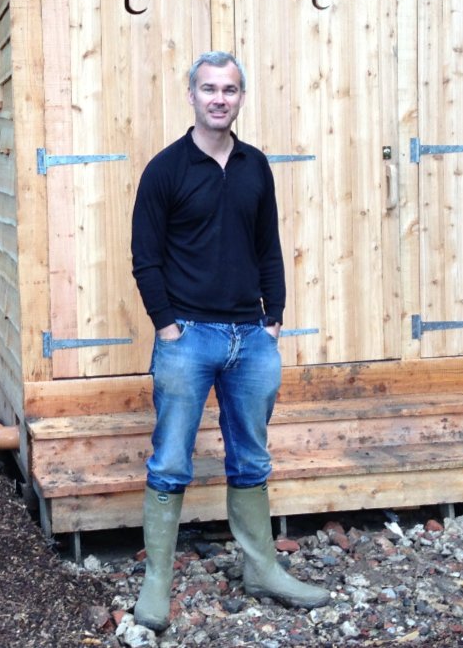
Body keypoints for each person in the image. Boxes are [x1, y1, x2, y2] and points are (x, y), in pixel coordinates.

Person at [129, 50, 330, 632]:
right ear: (190, 95)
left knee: (252, 457)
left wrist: (274, 320)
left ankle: (261, 568)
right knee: (170, 461)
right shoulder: (166, 170)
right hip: (187, 338)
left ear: (242, 97)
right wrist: (168, 327)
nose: (220, 98)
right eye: (210, 88)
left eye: (231, 89)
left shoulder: (254, 166)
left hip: (251, 338)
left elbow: (269, 245)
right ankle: (157, 584)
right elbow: (146, 259)